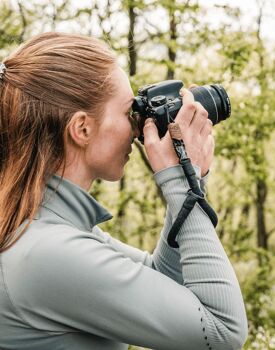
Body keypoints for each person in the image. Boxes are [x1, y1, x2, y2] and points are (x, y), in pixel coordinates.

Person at [0, 32, 248, 350]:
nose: (137, 128)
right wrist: (182, 183)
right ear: (82, 129)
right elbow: (221, 333)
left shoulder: (47, 229)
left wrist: (191, 177)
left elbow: (165, 277)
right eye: (128, 112)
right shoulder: (46, 253)